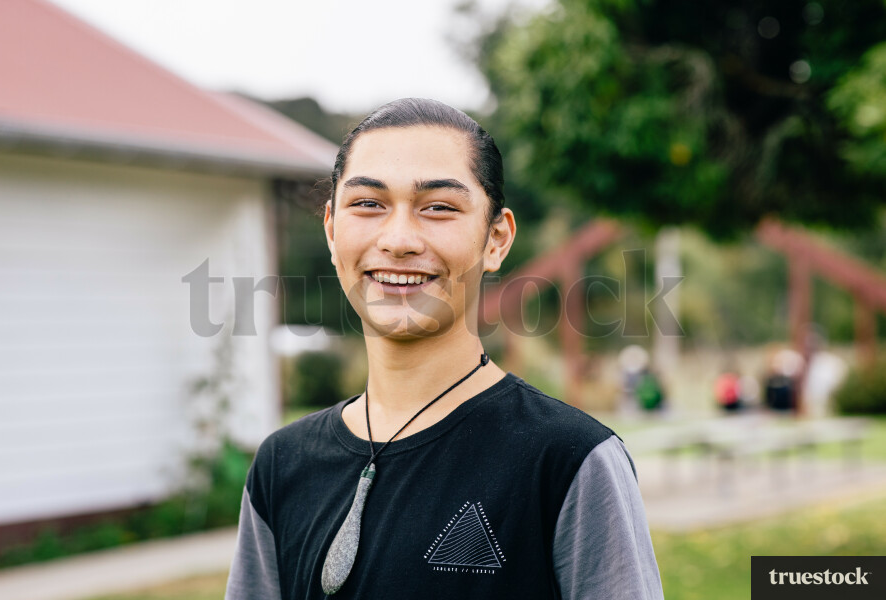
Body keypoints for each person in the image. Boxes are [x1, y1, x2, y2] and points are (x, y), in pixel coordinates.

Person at [225, 98, 663, 599]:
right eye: (368, 203)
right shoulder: (282, 465)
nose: (399, 240)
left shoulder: (570, 461)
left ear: (496, 239)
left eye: (438, 207)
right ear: (330, 229)